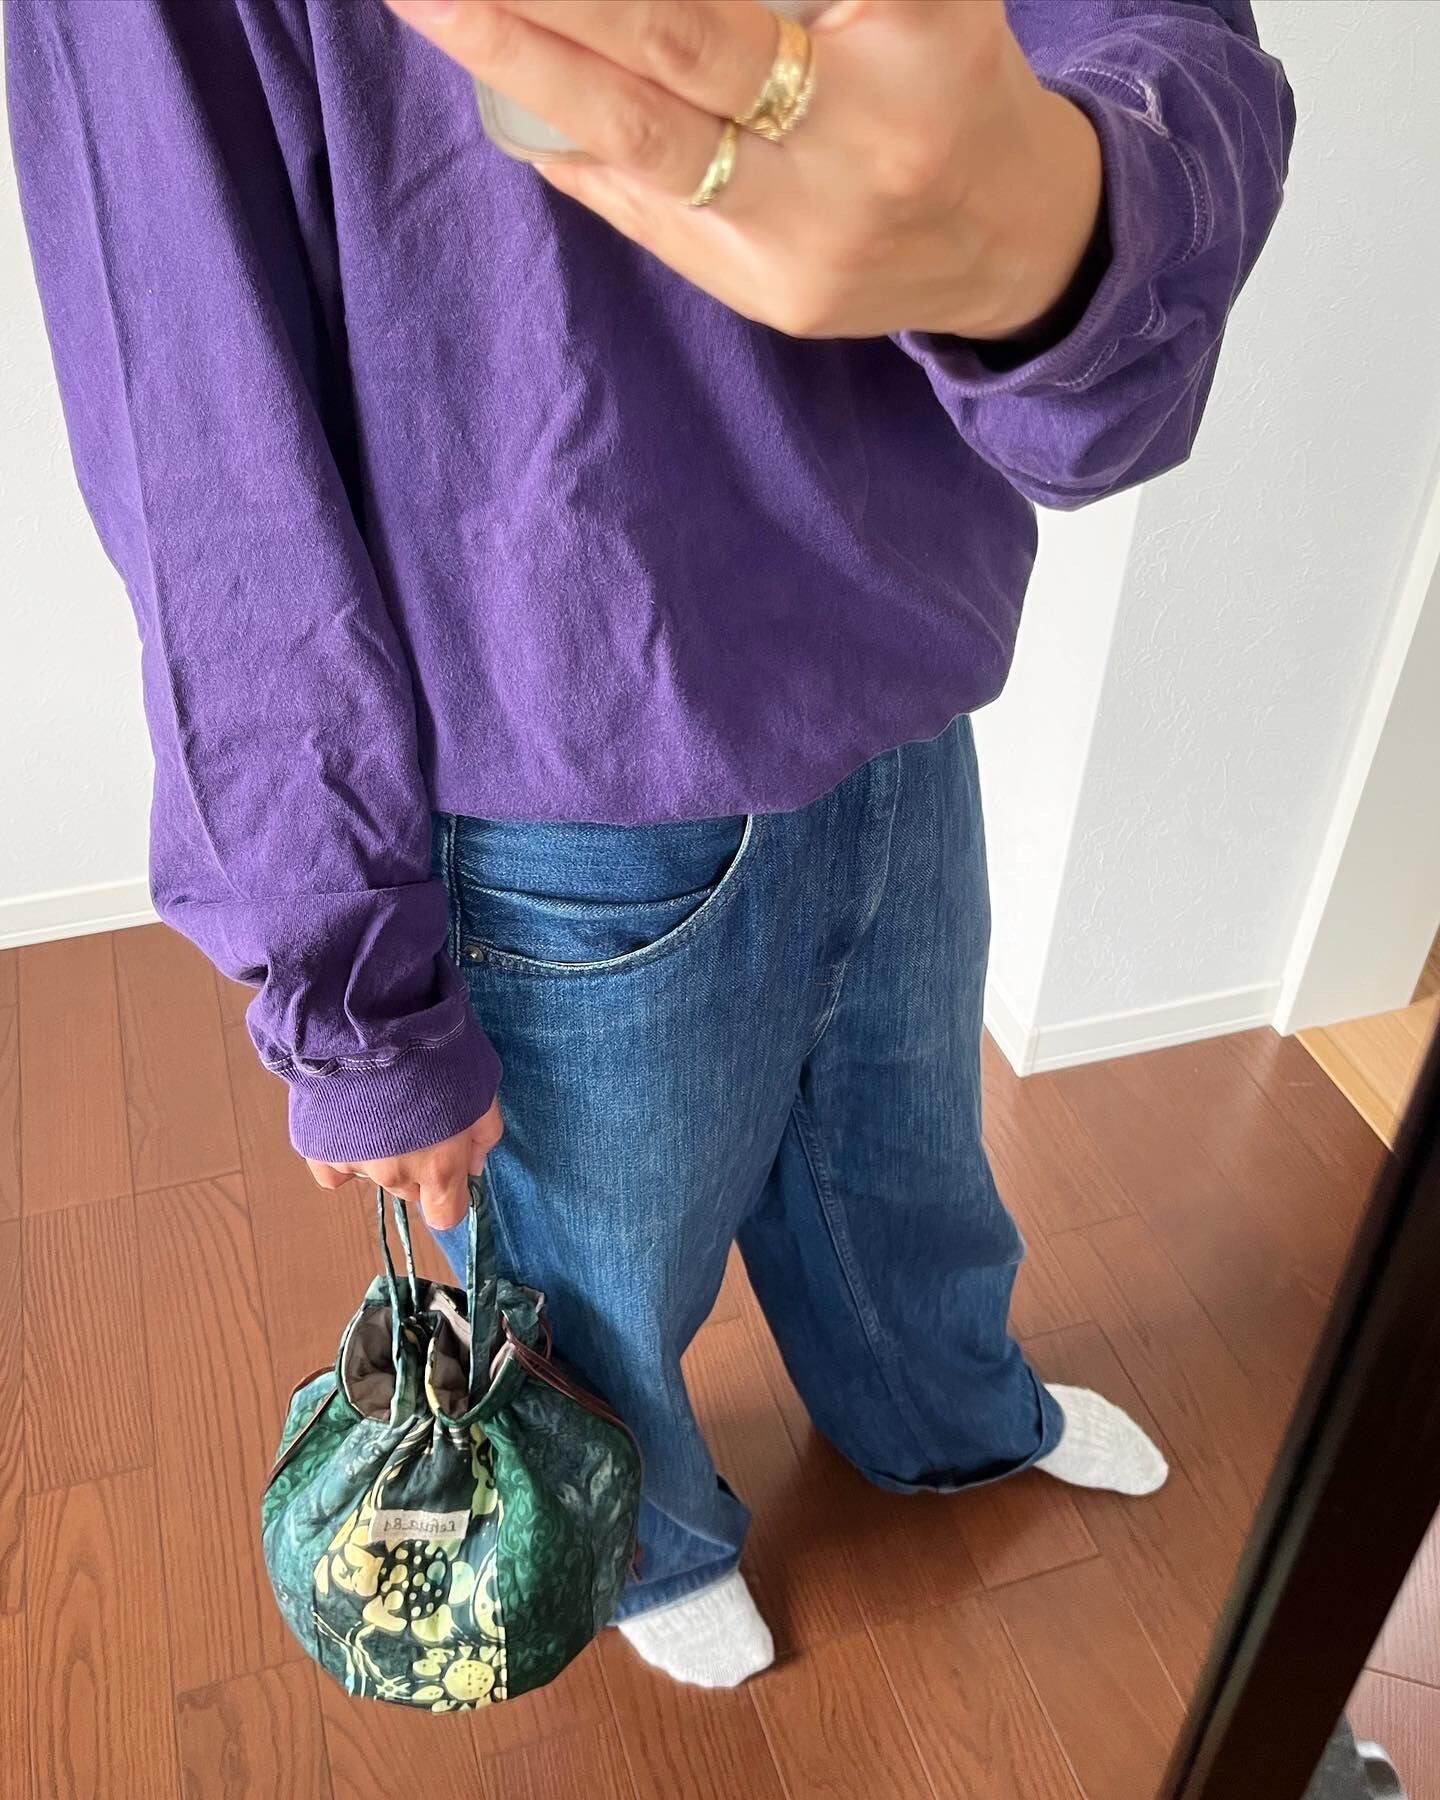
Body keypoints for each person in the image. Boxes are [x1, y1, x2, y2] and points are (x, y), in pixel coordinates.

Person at [7, 0, 1293, 1689]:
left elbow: (1140, 36)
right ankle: (642, 1543)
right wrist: (351, 988)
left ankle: (947, 1414)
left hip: (903, 648)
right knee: (591, 1287)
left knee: (908, 1163)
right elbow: (199, 421)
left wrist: (1068, 215)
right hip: (558, 748)